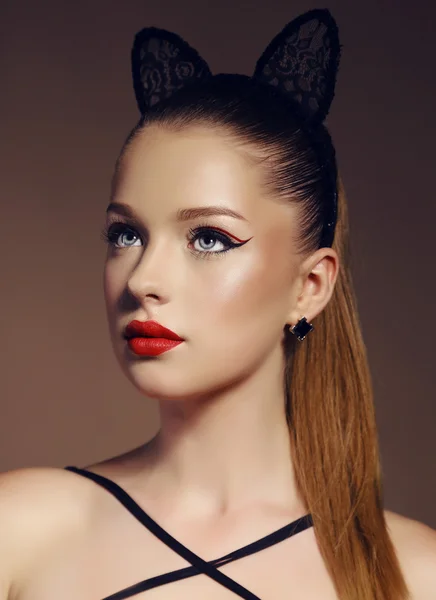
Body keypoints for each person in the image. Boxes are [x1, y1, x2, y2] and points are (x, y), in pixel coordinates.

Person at [1, 9, 435, 600]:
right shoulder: (20, 531)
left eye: (209, 238)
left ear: (310, 286)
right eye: (125, 235)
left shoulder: (416, 573)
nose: (143, 279)